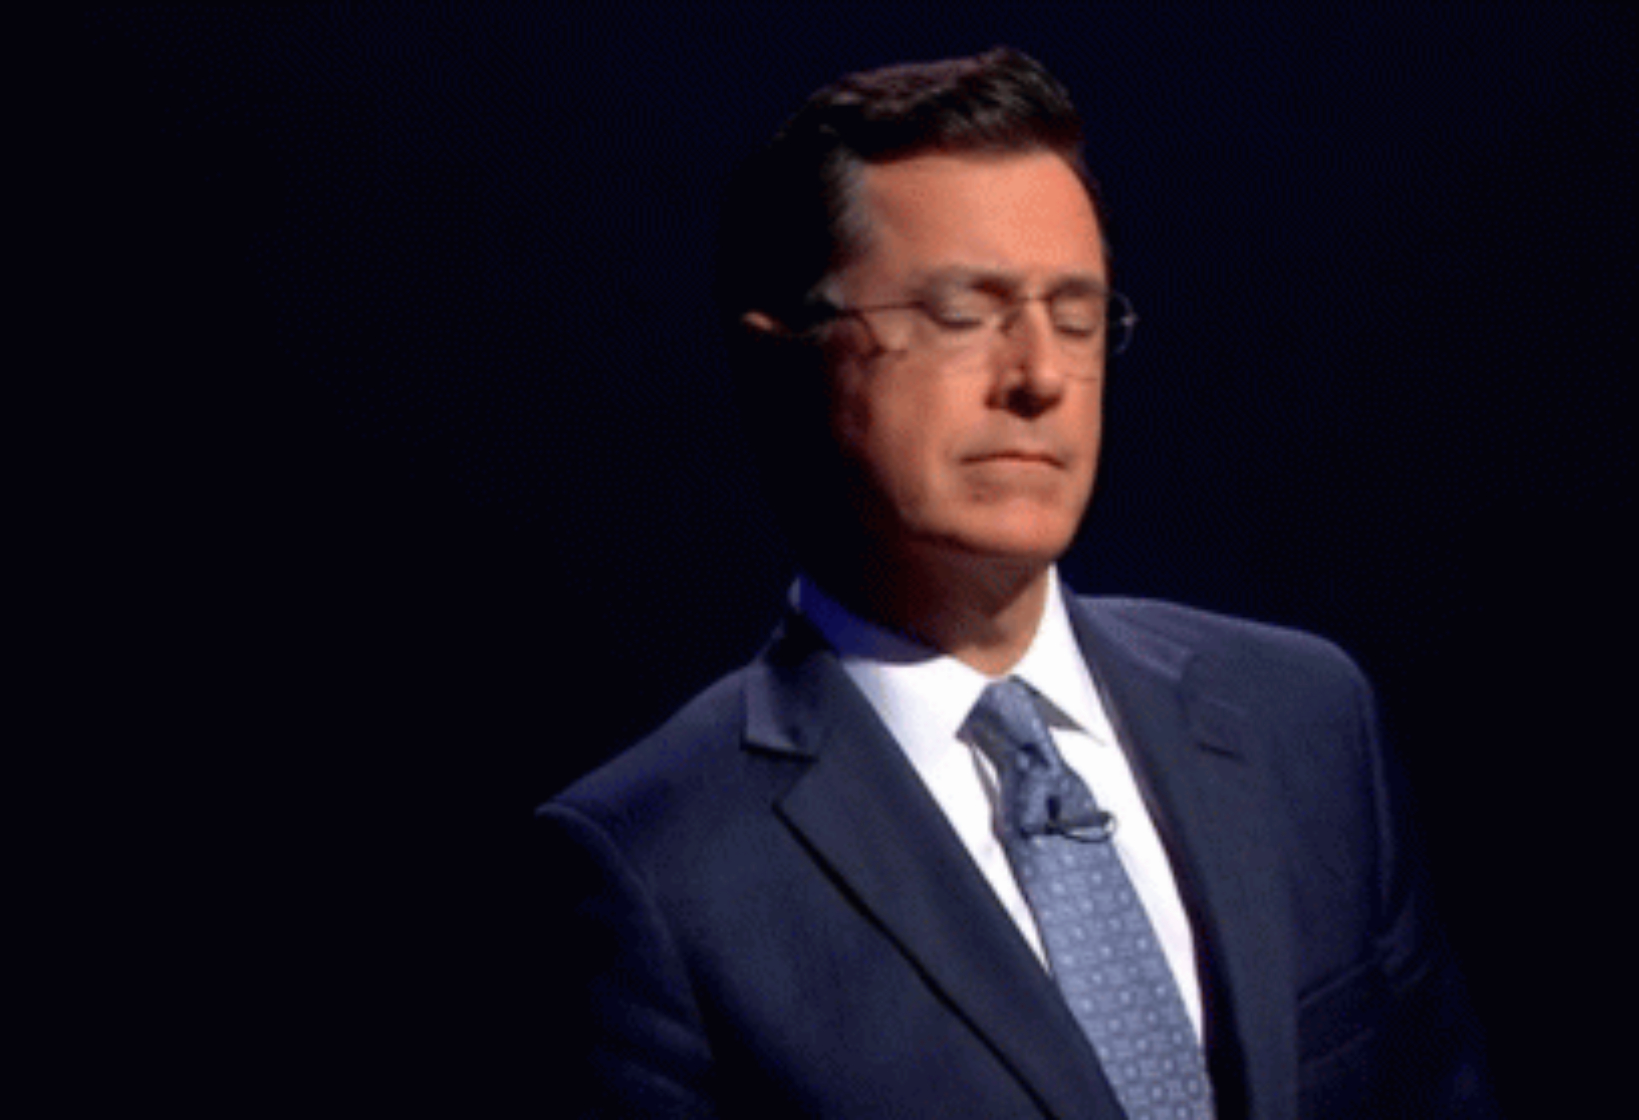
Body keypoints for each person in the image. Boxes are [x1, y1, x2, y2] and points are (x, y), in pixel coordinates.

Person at [530, 49, 1499, 1118]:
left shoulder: (1303, 722)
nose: (1039, 376)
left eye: (1075, 319)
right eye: (962, 315)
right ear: (783, 362)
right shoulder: (656, 871)